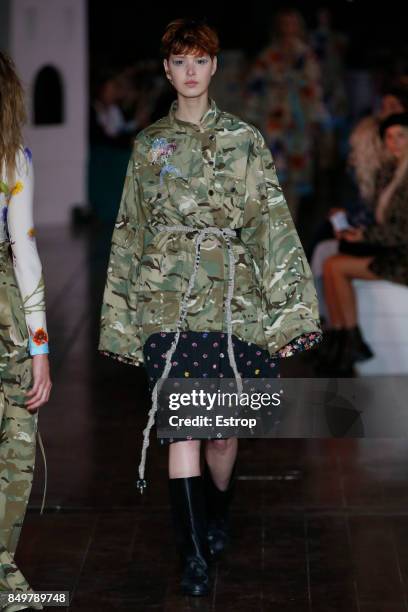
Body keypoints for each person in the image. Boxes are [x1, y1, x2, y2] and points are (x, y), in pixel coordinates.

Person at [98, 18, 322, 597]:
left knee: (222, 434)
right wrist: (121, 318)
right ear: (168, 70)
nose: (191, 71)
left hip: (233, 301)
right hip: (167, 301)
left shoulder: (246, 139)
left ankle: (218, 512)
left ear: (214, 67)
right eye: (181, 62)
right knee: (183, 430)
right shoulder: (150, 146)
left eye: (201, 60)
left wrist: (291, 309)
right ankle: (193, 554)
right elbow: (130, 229)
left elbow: (271, 222)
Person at [0, 51, 52, 609]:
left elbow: (25, 251)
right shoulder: (13, 158)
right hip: (10, 314)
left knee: (16, 448)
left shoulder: (13, 158)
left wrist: (40, 349)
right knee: (13, 449)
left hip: (9, 316)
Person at [319, 112, 408, 372]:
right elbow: (382, 222)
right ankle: (344, 343)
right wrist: (351, 227)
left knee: (335, 266)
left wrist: (364, 236)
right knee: (331, 265)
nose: (394, 143)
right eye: (389, 137)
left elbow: (402, 232)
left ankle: (345, 346)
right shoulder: (392, 172)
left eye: (401, 136)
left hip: (402, 256)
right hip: (394, 251)